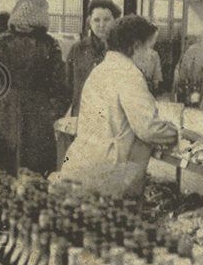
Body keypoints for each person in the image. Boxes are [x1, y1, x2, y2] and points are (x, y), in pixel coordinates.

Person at [57, 15, 178, 199]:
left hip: (82, 163)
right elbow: (148, 128)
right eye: (150, 48)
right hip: (108, 172)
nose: (151, 55)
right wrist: (180, 134)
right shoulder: (129, 75)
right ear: (136, 46)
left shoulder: (101, 70)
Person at [0, 0, 70, 177]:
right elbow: (61, 87)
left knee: (0, 175)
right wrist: (51, 111)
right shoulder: (49, 44)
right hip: (38, 117)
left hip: (3, 116)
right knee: (35, 178)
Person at [65, 0, 121, 116]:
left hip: (111, 117)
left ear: (115, 21)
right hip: (82, 115)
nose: (101, 25)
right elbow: (67, 86)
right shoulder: (78, 49)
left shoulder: (122, 50)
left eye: (106, 20)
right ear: (89, 22)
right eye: (96, 20)